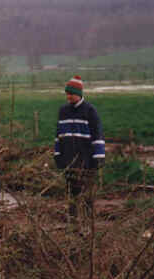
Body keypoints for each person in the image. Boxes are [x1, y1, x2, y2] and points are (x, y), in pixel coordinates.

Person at [53, 75, 105, 220]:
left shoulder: (90, 111)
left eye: (71, 94)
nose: (68, 97)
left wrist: (98, 158)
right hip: (69, 159)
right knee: (72, 192)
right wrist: (57, 154)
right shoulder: (63, 111)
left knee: (88, 193)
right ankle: (73, 220)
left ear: (79, 94)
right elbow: (58, 135)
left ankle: (89, 221)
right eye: (67, 94)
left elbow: (98, 135)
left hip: (86, 160)